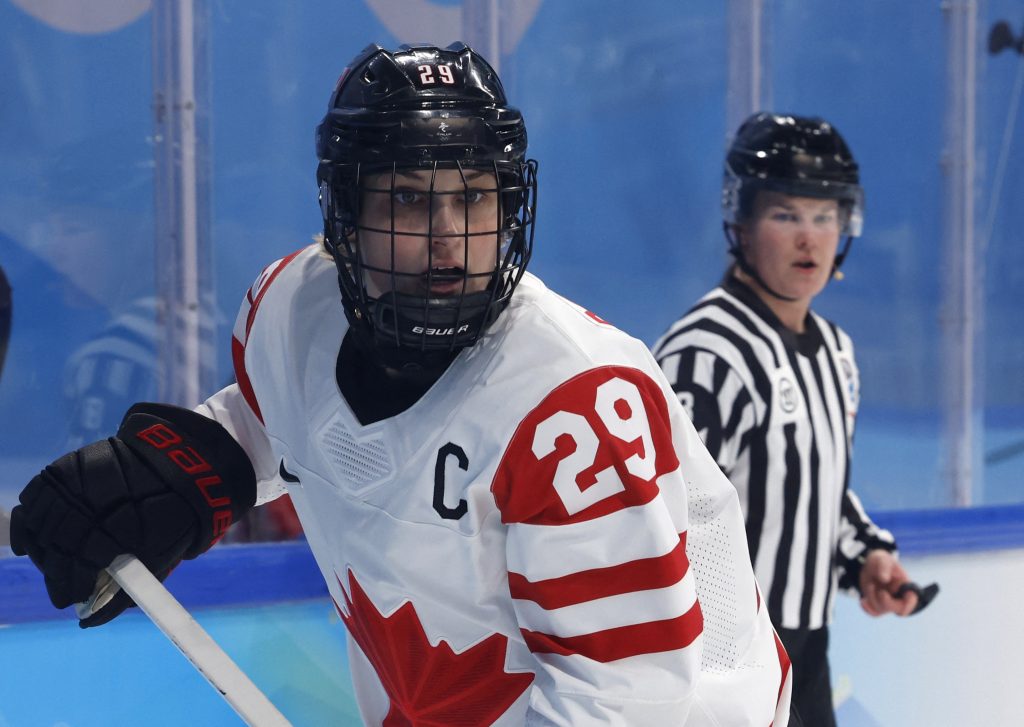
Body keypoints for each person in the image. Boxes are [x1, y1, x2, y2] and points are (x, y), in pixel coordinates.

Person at [11, 44, 792, 725]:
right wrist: (190, 470)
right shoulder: (293, 308)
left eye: (474, 198)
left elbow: (630, 698)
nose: (450, 241)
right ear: (344, 219)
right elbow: (281, 424)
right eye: (412, 201)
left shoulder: (575, 405)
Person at [653, 112, 930, 726]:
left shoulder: (836, 350)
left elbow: (814, 482)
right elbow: (668, 513)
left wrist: (864, 558)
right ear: (743, 225)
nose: (811, 238)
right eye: (786, 215)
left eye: (825, 216)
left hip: (808, 651)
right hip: (725, 664)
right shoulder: (707, 352)